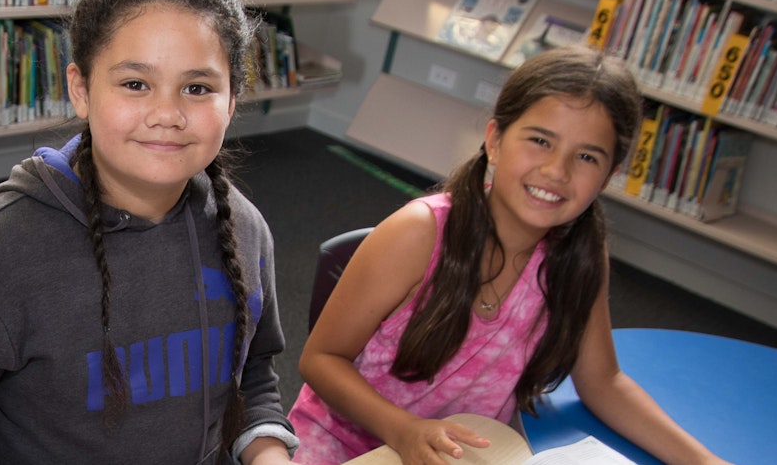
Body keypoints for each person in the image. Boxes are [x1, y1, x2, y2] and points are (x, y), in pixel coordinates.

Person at [0, 0, 296, 464]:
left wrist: (268, 452)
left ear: (232, 102)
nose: (167, 114)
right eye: (135, 84)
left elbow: (253, 376)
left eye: (198, 88)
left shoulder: (244, 228)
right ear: (80, 89)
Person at [289, 46, 729, 465]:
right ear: (495, 140)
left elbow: (603, 382)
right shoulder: (419, 233)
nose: (557, 171)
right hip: (344, 445)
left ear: (609, 176)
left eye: (587, 157)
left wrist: (703, 459)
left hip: (467, 453)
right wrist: (404, 431)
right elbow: (321, 359)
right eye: (540, 140)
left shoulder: (580, 256)